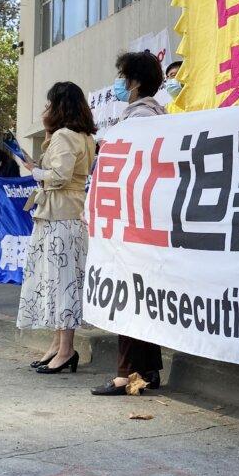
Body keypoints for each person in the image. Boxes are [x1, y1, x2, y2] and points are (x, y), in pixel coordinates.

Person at [91, 51, 167, 395]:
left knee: (127, 297)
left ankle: (124, 375)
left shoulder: (139, 119)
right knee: (142, 296)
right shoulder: (153, 115)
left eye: (122, 76)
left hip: (129, 220)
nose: (118, 83)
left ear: (134, 82)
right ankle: (147, 371)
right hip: (143, 219)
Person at [17, 81, 97, 374]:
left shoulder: (64, 135)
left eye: (50, 103)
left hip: (59, 214)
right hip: (69, 213)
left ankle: (65, 349)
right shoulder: (84, 136)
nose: (45, 109)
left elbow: (60, 176)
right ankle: (57, 345)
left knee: (60, 282)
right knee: (61, 281)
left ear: (59, 106)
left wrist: (35, 171)